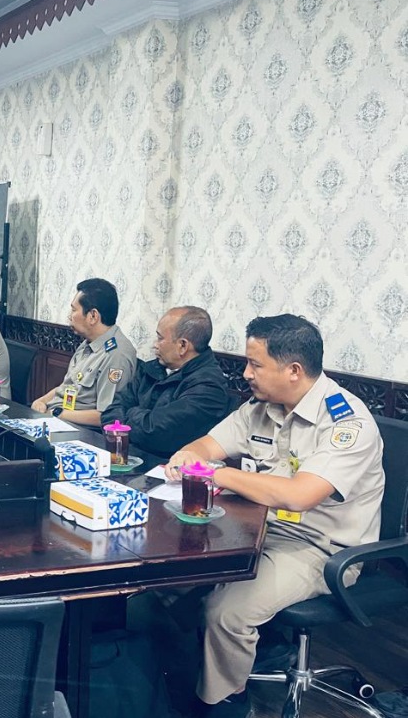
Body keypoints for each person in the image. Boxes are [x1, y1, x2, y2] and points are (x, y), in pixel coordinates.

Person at [165, 314, 384, 718]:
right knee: (168, 577)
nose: (246, 373)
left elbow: (300, 496)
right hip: (256, 528)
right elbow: (209, 443)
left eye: (256, 365)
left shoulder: (346, 424)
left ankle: (226, 705)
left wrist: (218, 473)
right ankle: (229, 661)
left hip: (323, 550)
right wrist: (189, 457)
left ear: (294, 371)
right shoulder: (262, 406)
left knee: (226, 613)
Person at [100, 306, 231, 457]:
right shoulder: (151, 368)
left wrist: (130, 414)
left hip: (167, 470)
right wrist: (138, 419)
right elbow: (111, 411)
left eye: (160, 338)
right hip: (127, 455)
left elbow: (155, 432)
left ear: (183, 345)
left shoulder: (208, 386)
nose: (155, 344)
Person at [30, 278, 136, 428]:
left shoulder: (116, 355)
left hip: (81, 431)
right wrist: (41, 401)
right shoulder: (88, 342)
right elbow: (67, 387)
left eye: (74, 310)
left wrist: (58, 413)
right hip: (57, 419)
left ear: (93, 316)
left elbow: (107, 416)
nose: (69, 316)